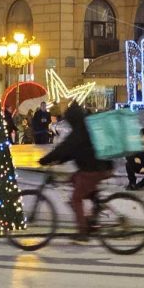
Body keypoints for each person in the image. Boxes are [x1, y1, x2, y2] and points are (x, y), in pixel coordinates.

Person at [38, 103, 113, 244]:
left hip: (93, 170)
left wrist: (45, 160)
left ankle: (83, 233)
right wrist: (59, 160)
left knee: (76, 199)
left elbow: (64, 149)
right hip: (102, 167)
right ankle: (96, 204)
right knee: (74, 179)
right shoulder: (87, 129)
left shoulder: (78, 133)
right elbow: (72, 152)